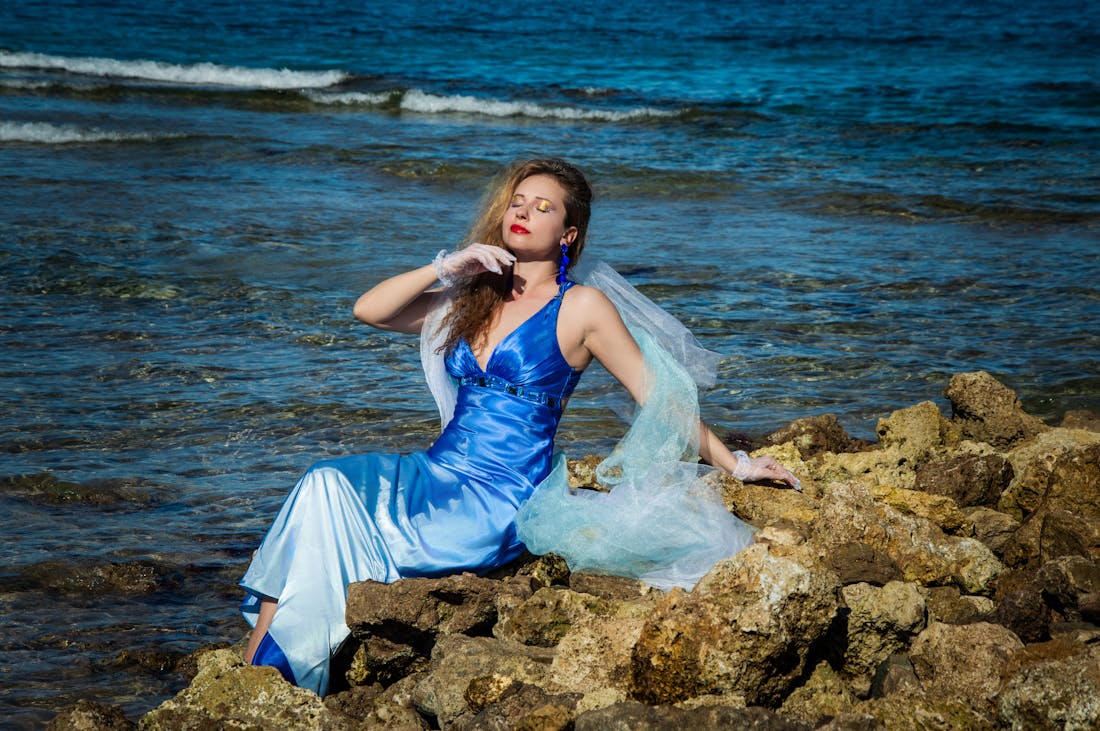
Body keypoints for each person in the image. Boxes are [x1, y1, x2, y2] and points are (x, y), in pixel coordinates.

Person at [238, 158, 799, 695]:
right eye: (517, 201)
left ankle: (266, 672)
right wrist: (446, 268)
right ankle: (263, 661)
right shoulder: (473, 296)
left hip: (499, 496)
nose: (523, 211)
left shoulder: (581, 307)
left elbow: (657, 398)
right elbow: (370, 310)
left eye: (543, 207)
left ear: (568, 233)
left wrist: (739, 464)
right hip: (436, 471)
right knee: (322, 483)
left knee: (327, 500)